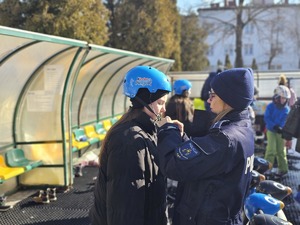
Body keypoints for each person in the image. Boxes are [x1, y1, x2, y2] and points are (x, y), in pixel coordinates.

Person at [156, 68, 255, 225]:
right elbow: (206, 160)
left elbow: (173, 166)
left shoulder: (225, 139)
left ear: (228, 100)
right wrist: (183, 138)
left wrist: (167, 131)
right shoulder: (243, 128)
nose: (208, 100)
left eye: (213, 95)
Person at [89, 65, 171, 225]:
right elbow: (125, 208)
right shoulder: (129, 141)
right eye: (160, 102)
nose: (164, 109)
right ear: (144, 100)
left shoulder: (144, 130)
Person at [264, 85, 291, 177]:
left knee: (281, 150)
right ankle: (267, 168)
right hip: (271, 131)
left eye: (285, 99)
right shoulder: (270, 106)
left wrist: (281, 127)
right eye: (282, 98)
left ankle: (283, 169)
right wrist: (274, 126)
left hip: (280, 132)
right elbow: (267, 118)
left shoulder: (286, 109)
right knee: (271, 150)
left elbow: (285, 120)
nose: (284, 100)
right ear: (277, 97)